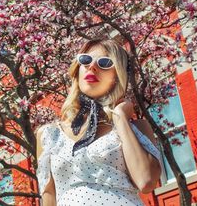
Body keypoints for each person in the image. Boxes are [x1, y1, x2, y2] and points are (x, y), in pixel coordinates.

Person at [36, 39, 162, 206]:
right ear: (77, 70)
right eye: (86, 60)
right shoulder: (49, 136)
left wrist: (120, 118)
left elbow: (146, 181)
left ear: (118, 75)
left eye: (104, 63)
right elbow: (49, 199)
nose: (92, 66)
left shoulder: (136, 129)